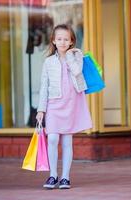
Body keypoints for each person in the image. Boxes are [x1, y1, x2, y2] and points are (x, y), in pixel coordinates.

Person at [36, 24, 92, 189]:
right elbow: (43, 86)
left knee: (67, 141)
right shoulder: (48, 62)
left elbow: (77, 71)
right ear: (53, 40)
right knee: (52, 138)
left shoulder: (76, 56)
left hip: (71, 103)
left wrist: (69, 56)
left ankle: (65, 177)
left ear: (71, 41)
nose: (62, 42)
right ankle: (53, 175)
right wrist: (41, 110)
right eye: (59, 39)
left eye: (66, 39)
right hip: (54, 104)